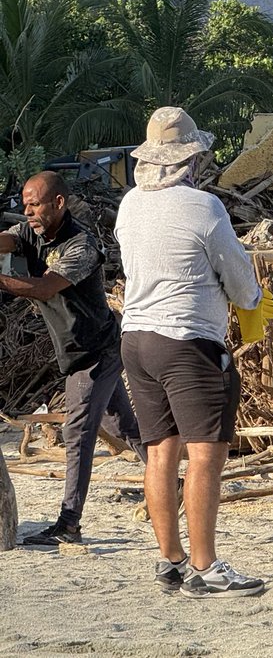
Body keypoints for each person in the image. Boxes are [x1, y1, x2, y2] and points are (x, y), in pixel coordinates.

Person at [115, 107, 267, 597]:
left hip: (136, 340)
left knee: (160, 451)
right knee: (205, 455)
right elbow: (241, 281)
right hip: (187, 342)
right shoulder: (203, 208)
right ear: (189, 159)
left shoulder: (130, 204)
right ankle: (206, 567)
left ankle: (170, 559)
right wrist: (251, 304)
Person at [0, 171, 146, 547]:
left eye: (34, 205)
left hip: (96, 352)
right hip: (81, 350)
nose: (27, 211)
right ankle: (173, 482)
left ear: (59, 203)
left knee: (77, 433)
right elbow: (7, 241)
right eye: (25, 204)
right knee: (124, 428)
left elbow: (45, 288)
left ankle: (69, 523)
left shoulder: (81, 244)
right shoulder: (32, 232)